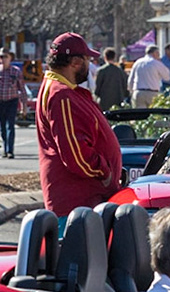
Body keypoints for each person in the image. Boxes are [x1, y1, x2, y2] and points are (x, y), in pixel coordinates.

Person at [37, 32, 124, 217]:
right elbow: (76, 154)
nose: (90, 64)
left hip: (81, 202)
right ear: (76, 62)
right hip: (78, 204)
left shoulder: (59, 89)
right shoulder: (62, 95)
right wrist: (105, 172)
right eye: (87, 59)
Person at [0, 49, 27, 158]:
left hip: (12, 101)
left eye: (6, 57)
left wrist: (24, 106)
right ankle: (5, 148)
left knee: (10, 125)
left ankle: (10, 150)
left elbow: (22, 89)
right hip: (0, 101)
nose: (3, 59)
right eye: (1, 57)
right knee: (2, 127)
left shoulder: (15, 71)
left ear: (10, 58)